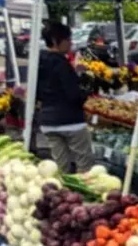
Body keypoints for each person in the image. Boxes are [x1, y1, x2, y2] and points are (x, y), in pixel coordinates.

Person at [36, 22, 95, 173]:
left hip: (48, 123)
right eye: (68, 39)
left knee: (60, 168)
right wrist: (85, 90)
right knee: (84, 165)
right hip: (71, 122)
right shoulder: (61, 63)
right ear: (56, 40)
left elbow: (39, 92)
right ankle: (83, 194)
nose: (71, 43)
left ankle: (62, 194)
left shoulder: (39, 62)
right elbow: (74, 95)